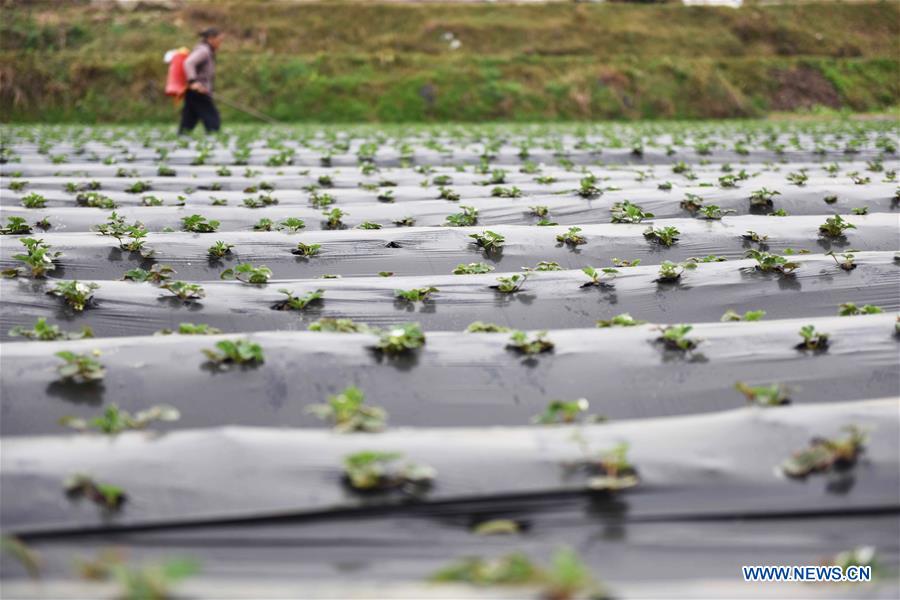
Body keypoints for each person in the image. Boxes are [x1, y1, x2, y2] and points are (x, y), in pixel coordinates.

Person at [179, 28, 224, 134]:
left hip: (196, 91)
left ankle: (182, 137)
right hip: (198, 90)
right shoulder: (203, 51)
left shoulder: (207, 51)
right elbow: (189, 63)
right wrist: (193, 82)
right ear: (211, 38)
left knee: (188, 120)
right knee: (213, 120)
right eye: (219, 40)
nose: (220, 43)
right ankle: (214, 139)